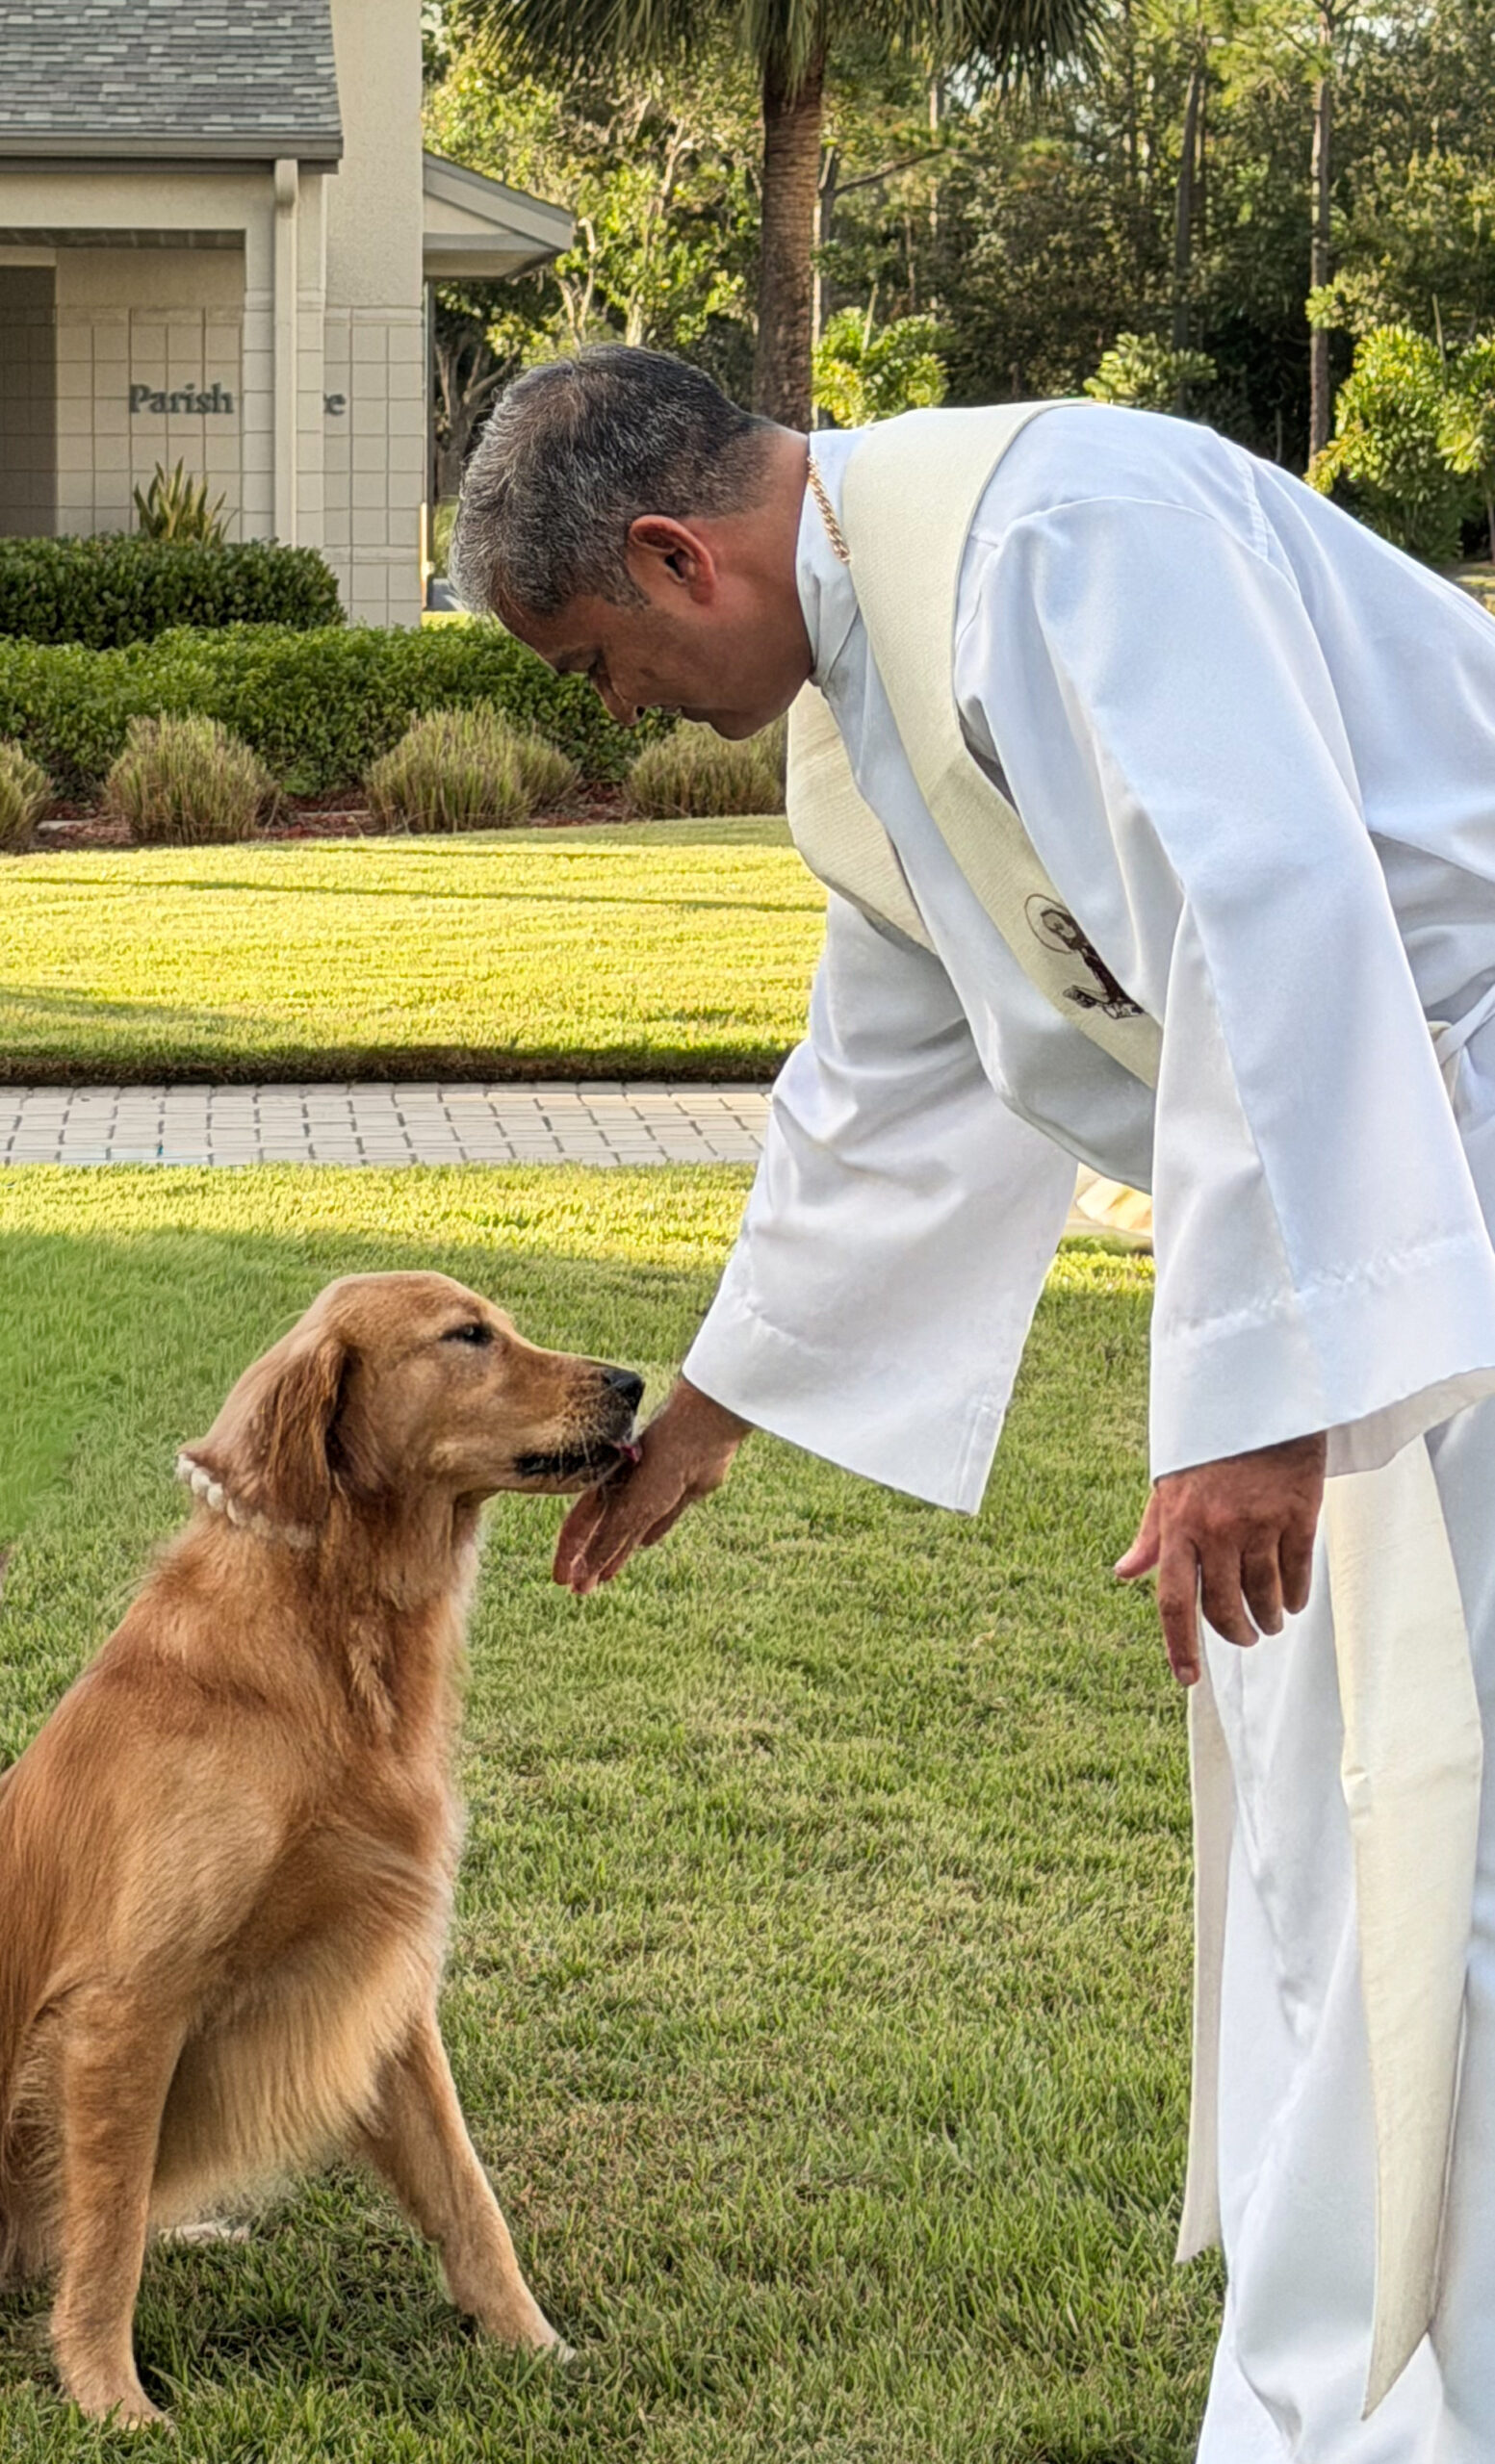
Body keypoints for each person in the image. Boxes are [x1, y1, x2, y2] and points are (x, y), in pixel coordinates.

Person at [450, 344, 1495, 2461]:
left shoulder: (1061, 542)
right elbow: (889, 1082)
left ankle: (1381, 2410)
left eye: (595, 662)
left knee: (1418, 1811)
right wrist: (713, 1407)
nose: (615, 709)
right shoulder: (871, 696)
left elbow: (1273, 923)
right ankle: (1350, 2385)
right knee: (1335, 1828)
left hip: (1424, 1170)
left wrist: (1260, 1405)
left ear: (673, 554)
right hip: (1364, 1205)